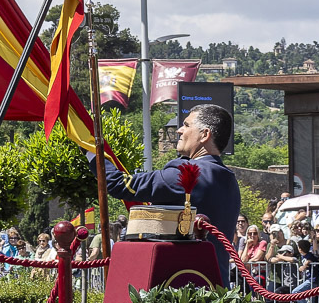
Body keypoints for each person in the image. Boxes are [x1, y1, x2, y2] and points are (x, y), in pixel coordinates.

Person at [90, 104, 240, 272]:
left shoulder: (185, 173)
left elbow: (118, 184)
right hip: (217, 286)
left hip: (180, 285)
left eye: (187, 125)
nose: (179, 130)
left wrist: (90, 150)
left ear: (204, 134)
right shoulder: (229, 180)